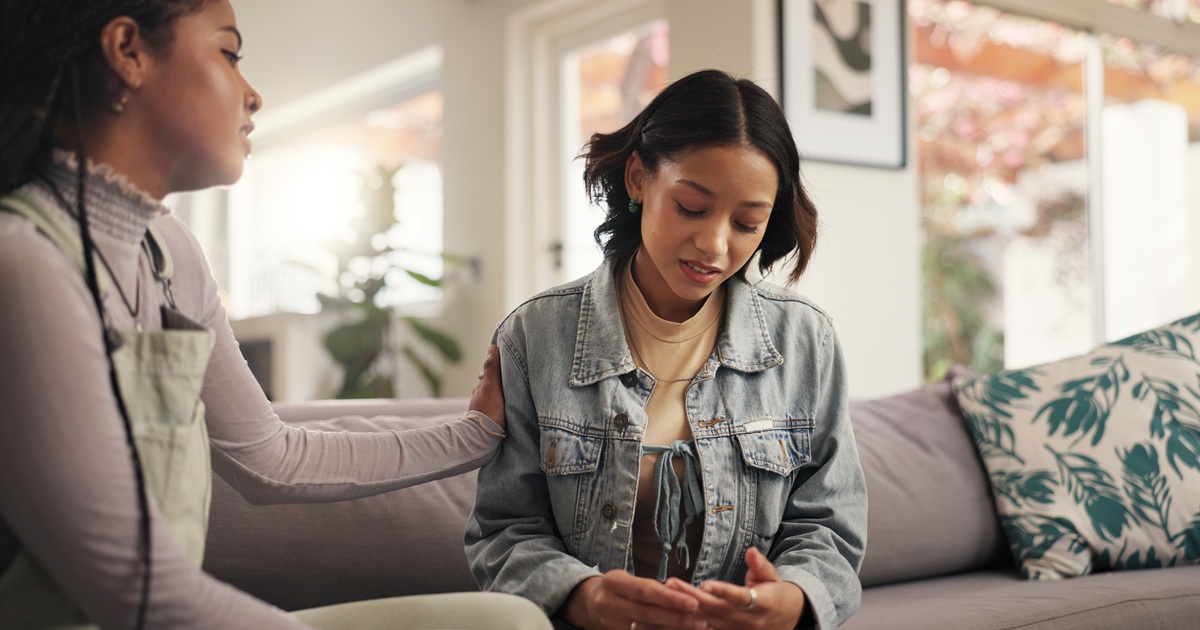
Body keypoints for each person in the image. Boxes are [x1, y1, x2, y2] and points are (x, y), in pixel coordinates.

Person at [0, 1, 551, 629]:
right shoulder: (24, 261)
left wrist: (477, 432)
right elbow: (135, 588)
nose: (252, 94)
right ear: (127, 52)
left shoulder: (170, 249)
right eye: (228, 54)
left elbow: (274, 458)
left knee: (508, 620)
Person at [465, 69, 868, 630]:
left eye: (748, 224)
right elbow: (505, 533)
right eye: (692, 208)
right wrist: (583, 596)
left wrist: (795, 599)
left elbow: (828, 526)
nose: (716, 246)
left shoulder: (805, 340)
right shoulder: (536, 336)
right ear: (638, 179)